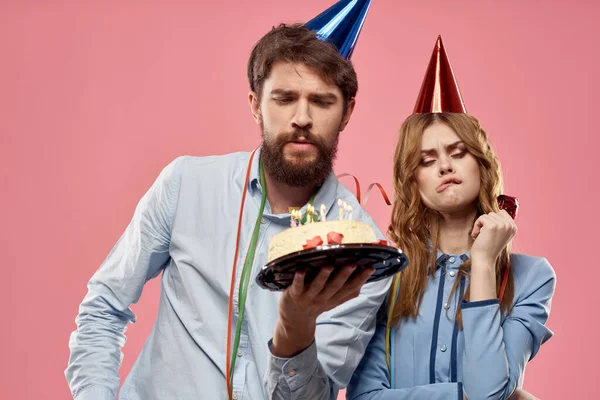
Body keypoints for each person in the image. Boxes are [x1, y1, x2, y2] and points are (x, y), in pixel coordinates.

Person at [65, 9, 390, 400]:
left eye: (322, 102)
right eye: (284, 98)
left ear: (347, 112)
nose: (301, 118)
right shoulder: (186, 184)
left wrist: (295, 326)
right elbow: (103, 307)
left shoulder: (364, 251)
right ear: (255, 104)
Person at [346, 36, 556, 400]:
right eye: (427, 160)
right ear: (414, 180)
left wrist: (485, 262)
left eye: (457, 153)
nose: (444, 165)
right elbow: (363, 397)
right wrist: (462, 396)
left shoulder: (532, 279)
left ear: (481, 162)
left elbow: (488, 392)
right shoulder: (388, 276)